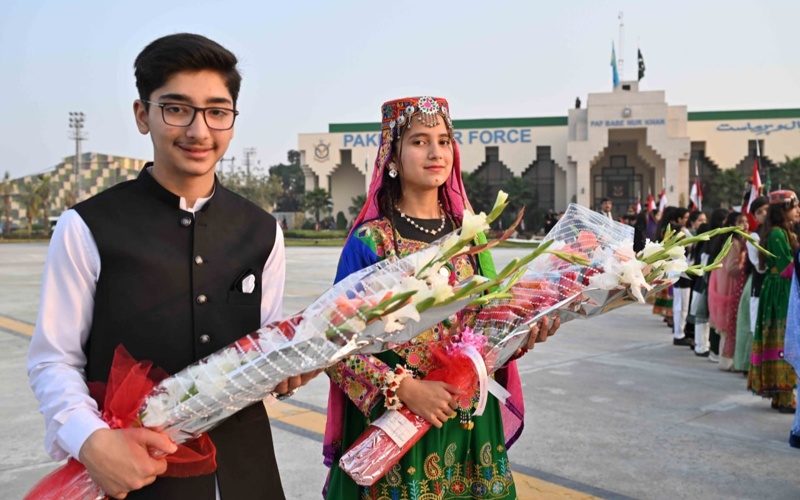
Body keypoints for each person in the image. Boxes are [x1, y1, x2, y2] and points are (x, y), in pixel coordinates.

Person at [27, 33, 317, 499]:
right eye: (177, 109)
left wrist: (292, 367)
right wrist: (92, 442)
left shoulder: (262, 231)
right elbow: (54, 359)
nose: (199, 131)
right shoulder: (87, 226)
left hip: (246, 471)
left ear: (232, 120)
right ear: (143, 115)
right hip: (132, 472)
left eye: (217, 111)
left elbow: (263, 349)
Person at [322, 97, 559, 499]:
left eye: (444, 141)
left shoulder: (471, 236)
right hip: (397, 421)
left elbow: (485, 333)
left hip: (467, 421)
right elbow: (331, 343)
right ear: (392, 155)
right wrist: (404, 388)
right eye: (419, 141)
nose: (436, 153)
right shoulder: (370, 242)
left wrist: (521, 338)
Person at [748, 190, 800, 413]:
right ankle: (785, 395)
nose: (798, 210)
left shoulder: (780, 232)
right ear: (782, 210)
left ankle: (781, 395)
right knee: (783, 338)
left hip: (777, 288)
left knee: (779, 338)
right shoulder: (779, 234)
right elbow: (788, 268)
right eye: (794, 206)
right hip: (781, 289)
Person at [707, 211, 749, 370]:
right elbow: (732, 267)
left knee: (727, 326)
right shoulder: (734, 243)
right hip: (730, 286)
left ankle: (726, 360)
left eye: (746, 221)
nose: (745, 225)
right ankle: (727, 361)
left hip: (724, 285)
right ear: (732, 225)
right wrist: (745, 266)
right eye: (741, 222)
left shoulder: (733, 240)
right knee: (728, 325)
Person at [734, 196, 769, 373]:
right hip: (760, 286)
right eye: (759, 212)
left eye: (766, 209)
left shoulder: (783, 231)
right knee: (757, 328)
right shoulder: (754, 236)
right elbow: (760, 267)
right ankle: (755, 368)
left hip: (776, 288)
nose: (764, 214)